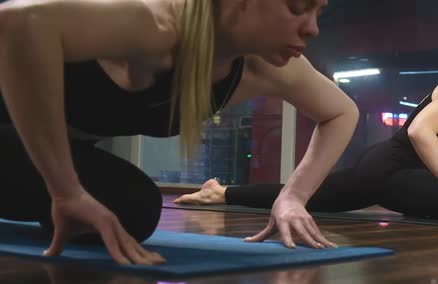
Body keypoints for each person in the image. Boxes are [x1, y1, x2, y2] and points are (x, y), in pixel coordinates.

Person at [0, 0, 359, 264]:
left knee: (132, 208)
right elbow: (18, 22)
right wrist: (66, 189)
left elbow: (342, 112)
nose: (312, 28)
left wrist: (293, 196)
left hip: (21, 146)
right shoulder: (157, 23)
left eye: (318, 13)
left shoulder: (267, 70)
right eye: (298, 7)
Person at [175, 57, 438, 229]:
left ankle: (221, 191)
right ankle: (222, 193)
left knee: (314, 197)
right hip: (388, 165)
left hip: (409, 174)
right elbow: (419, 132)